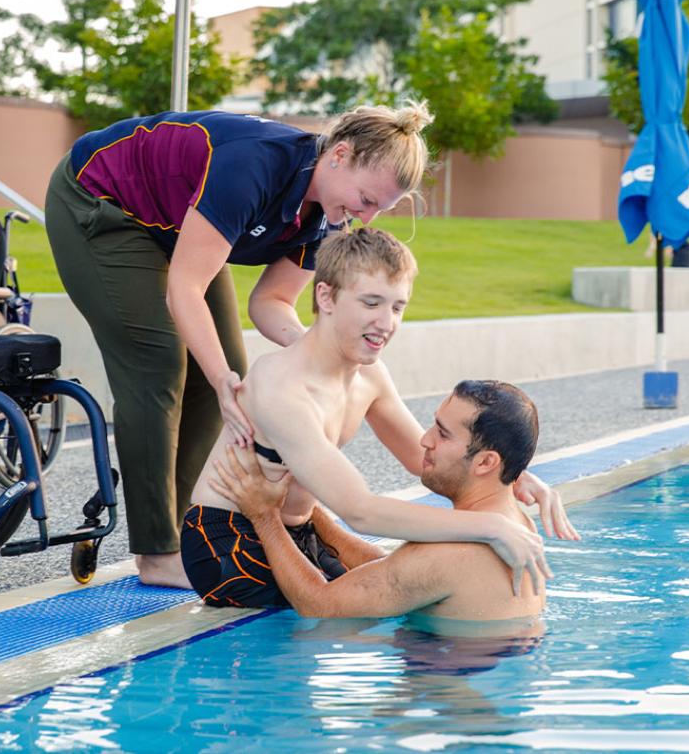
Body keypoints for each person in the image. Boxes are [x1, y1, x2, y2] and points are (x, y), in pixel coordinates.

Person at [45, 104, 436, 588]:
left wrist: (318, 350)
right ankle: (158, 552)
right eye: (366, 198)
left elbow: (271, 302)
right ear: (339, 155)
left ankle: (195, 525)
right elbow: (184, 290)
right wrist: (218, 377)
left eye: (380, 208)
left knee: (229, 370)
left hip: (170, 224)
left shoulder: (328, 220)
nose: (367, 216)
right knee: (162, 364)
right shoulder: (252, 167)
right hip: (100, 202)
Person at [180, 227, 576, 609]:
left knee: (405, 590)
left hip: (300, 530)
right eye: (371, 303)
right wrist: (492, 526)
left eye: (397, 306)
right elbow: (360, 511)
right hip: (226, 541)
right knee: (334, 613)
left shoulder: (369, 375)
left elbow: (422, 455)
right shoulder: (281, 385)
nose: (386, 323)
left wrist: (512, 472)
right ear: (327, 296)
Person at [211, 379, 551, 621]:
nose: (425, 439)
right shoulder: (516, 523)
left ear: (486, 462)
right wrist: (311, 512)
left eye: (443, 434)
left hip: (445, 698)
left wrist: (264, 515)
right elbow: (395, 574)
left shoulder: (447, 554)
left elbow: (319, 606)